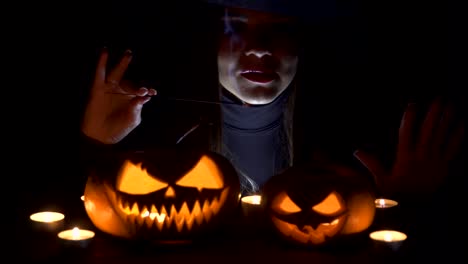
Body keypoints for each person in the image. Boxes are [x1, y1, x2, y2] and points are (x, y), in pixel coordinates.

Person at [80, 2, 465, 200]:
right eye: (237, 28)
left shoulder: (351, 142)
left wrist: (404, 209)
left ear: (306, 44)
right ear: (209, 42)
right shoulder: (160, 137)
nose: (260, 50)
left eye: (280, 30)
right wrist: (94, 144)